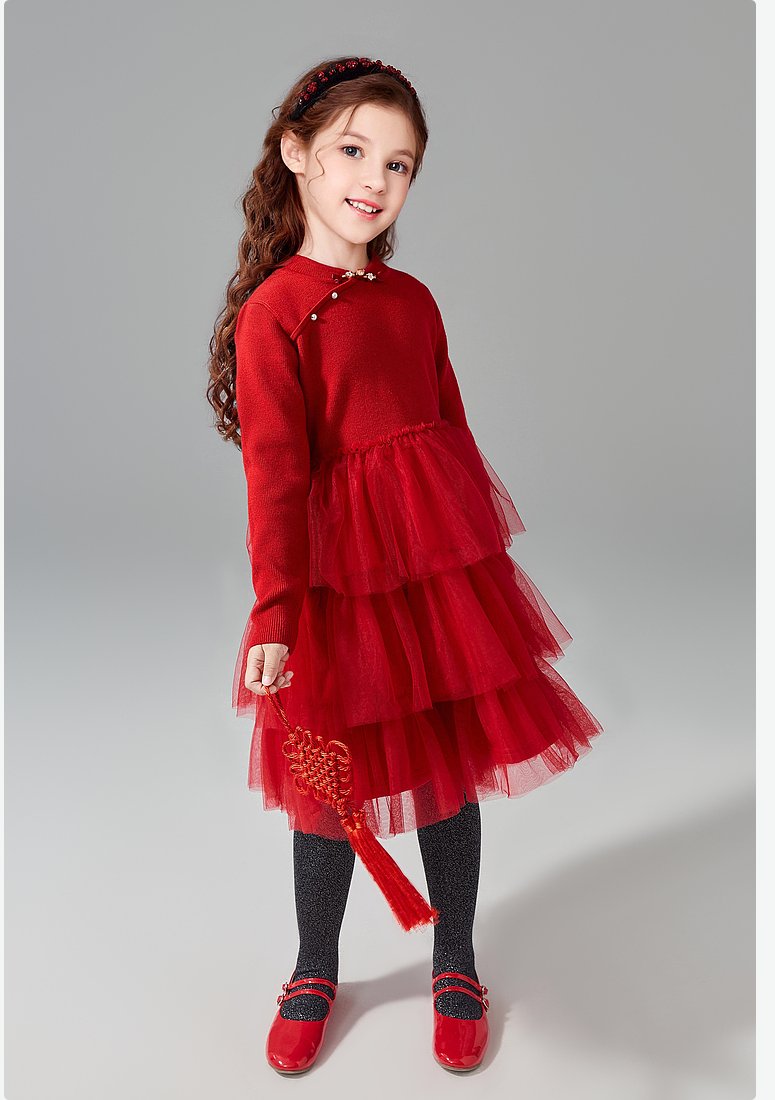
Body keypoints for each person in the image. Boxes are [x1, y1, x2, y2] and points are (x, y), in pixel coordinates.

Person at [207, 55, 603, 1075]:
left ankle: (455, 956)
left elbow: (450, 432)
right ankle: (314, 966)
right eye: (352, 151)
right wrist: (276, 612)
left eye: (399, 164)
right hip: (338, 584)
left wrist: (472, 568)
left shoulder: (413, 301)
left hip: (431, 574)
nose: (374, 180)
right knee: (327, 779)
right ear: (296, 154)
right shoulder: (275, 312)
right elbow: (276, 478)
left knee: (446, 767)